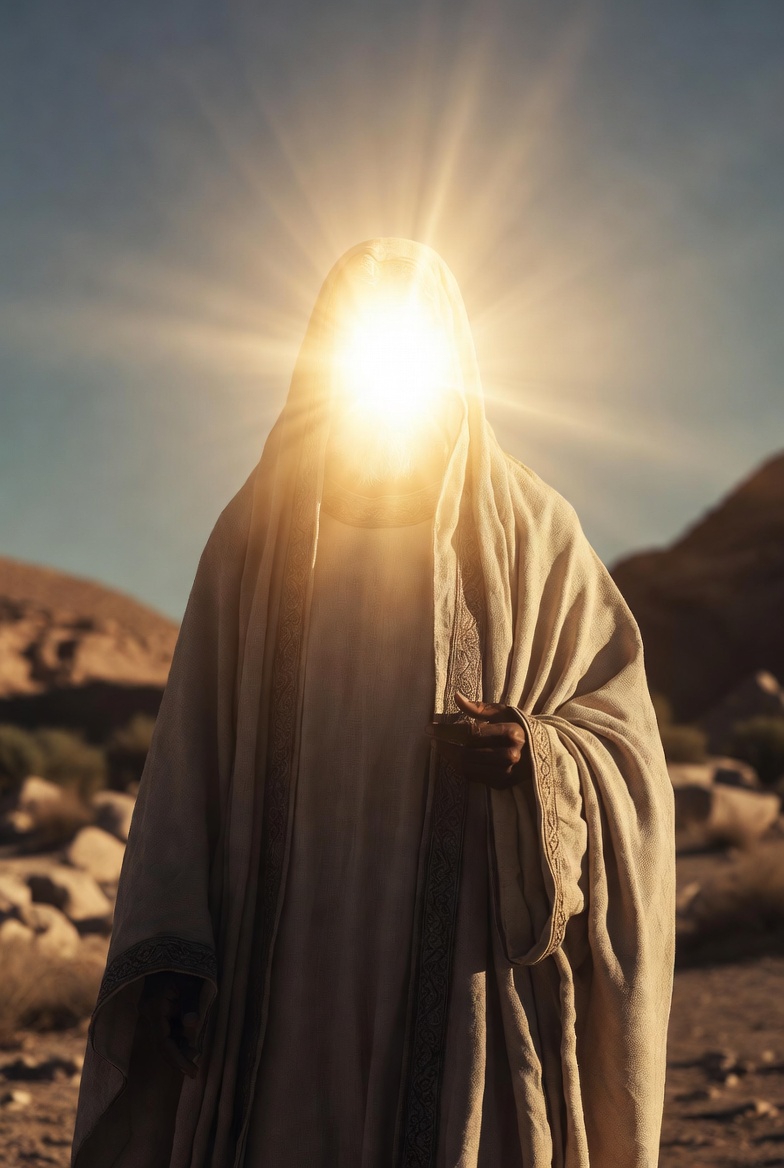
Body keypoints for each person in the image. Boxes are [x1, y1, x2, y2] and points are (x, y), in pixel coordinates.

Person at [72, 238, 675, 1168]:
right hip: (279, 975)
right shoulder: (255, 538)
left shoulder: (532, 532)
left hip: (465, 963)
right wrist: (174, 943)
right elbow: (187, 756)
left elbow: (623, 741)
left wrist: (537, 755)